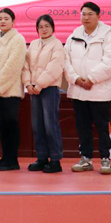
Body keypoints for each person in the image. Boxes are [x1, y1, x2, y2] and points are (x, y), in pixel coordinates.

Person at [64, 2, 111, 175]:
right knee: (83, 127)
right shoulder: (74, 36)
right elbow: (65, 60)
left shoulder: (108, 37)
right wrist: (76, 79)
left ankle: (106, 159)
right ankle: (86, 158)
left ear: (98, 16)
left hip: (99, 92)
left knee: (103, 127)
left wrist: (91, 79)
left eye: (90, 14)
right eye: (83, 14)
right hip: (78, 90)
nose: (86, 17)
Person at [0, 8, 26, 171]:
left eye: (6, 18)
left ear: (13, 22)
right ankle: (5, 158)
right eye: (0, 18)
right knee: (2, 125)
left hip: (10, 90)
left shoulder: (18, 39)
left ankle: (12, 160)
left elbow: (13, 66)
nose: (2, 21)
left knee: (10, 124)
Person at [23, 14, 65, 173]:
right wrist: (28, 83)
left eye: (47, 26)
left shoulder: (57, 45)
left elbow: (55, 67)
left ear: (52, 28)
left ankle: (55, 160)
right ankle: (41, 158)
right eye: (40, 27)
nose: (44, 29)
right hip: (34, 89)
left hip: (49, 89)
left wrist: (39, 84)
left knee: (50, 125)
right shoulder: (33, 44)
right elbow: (25, 65)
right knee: (37, 125)